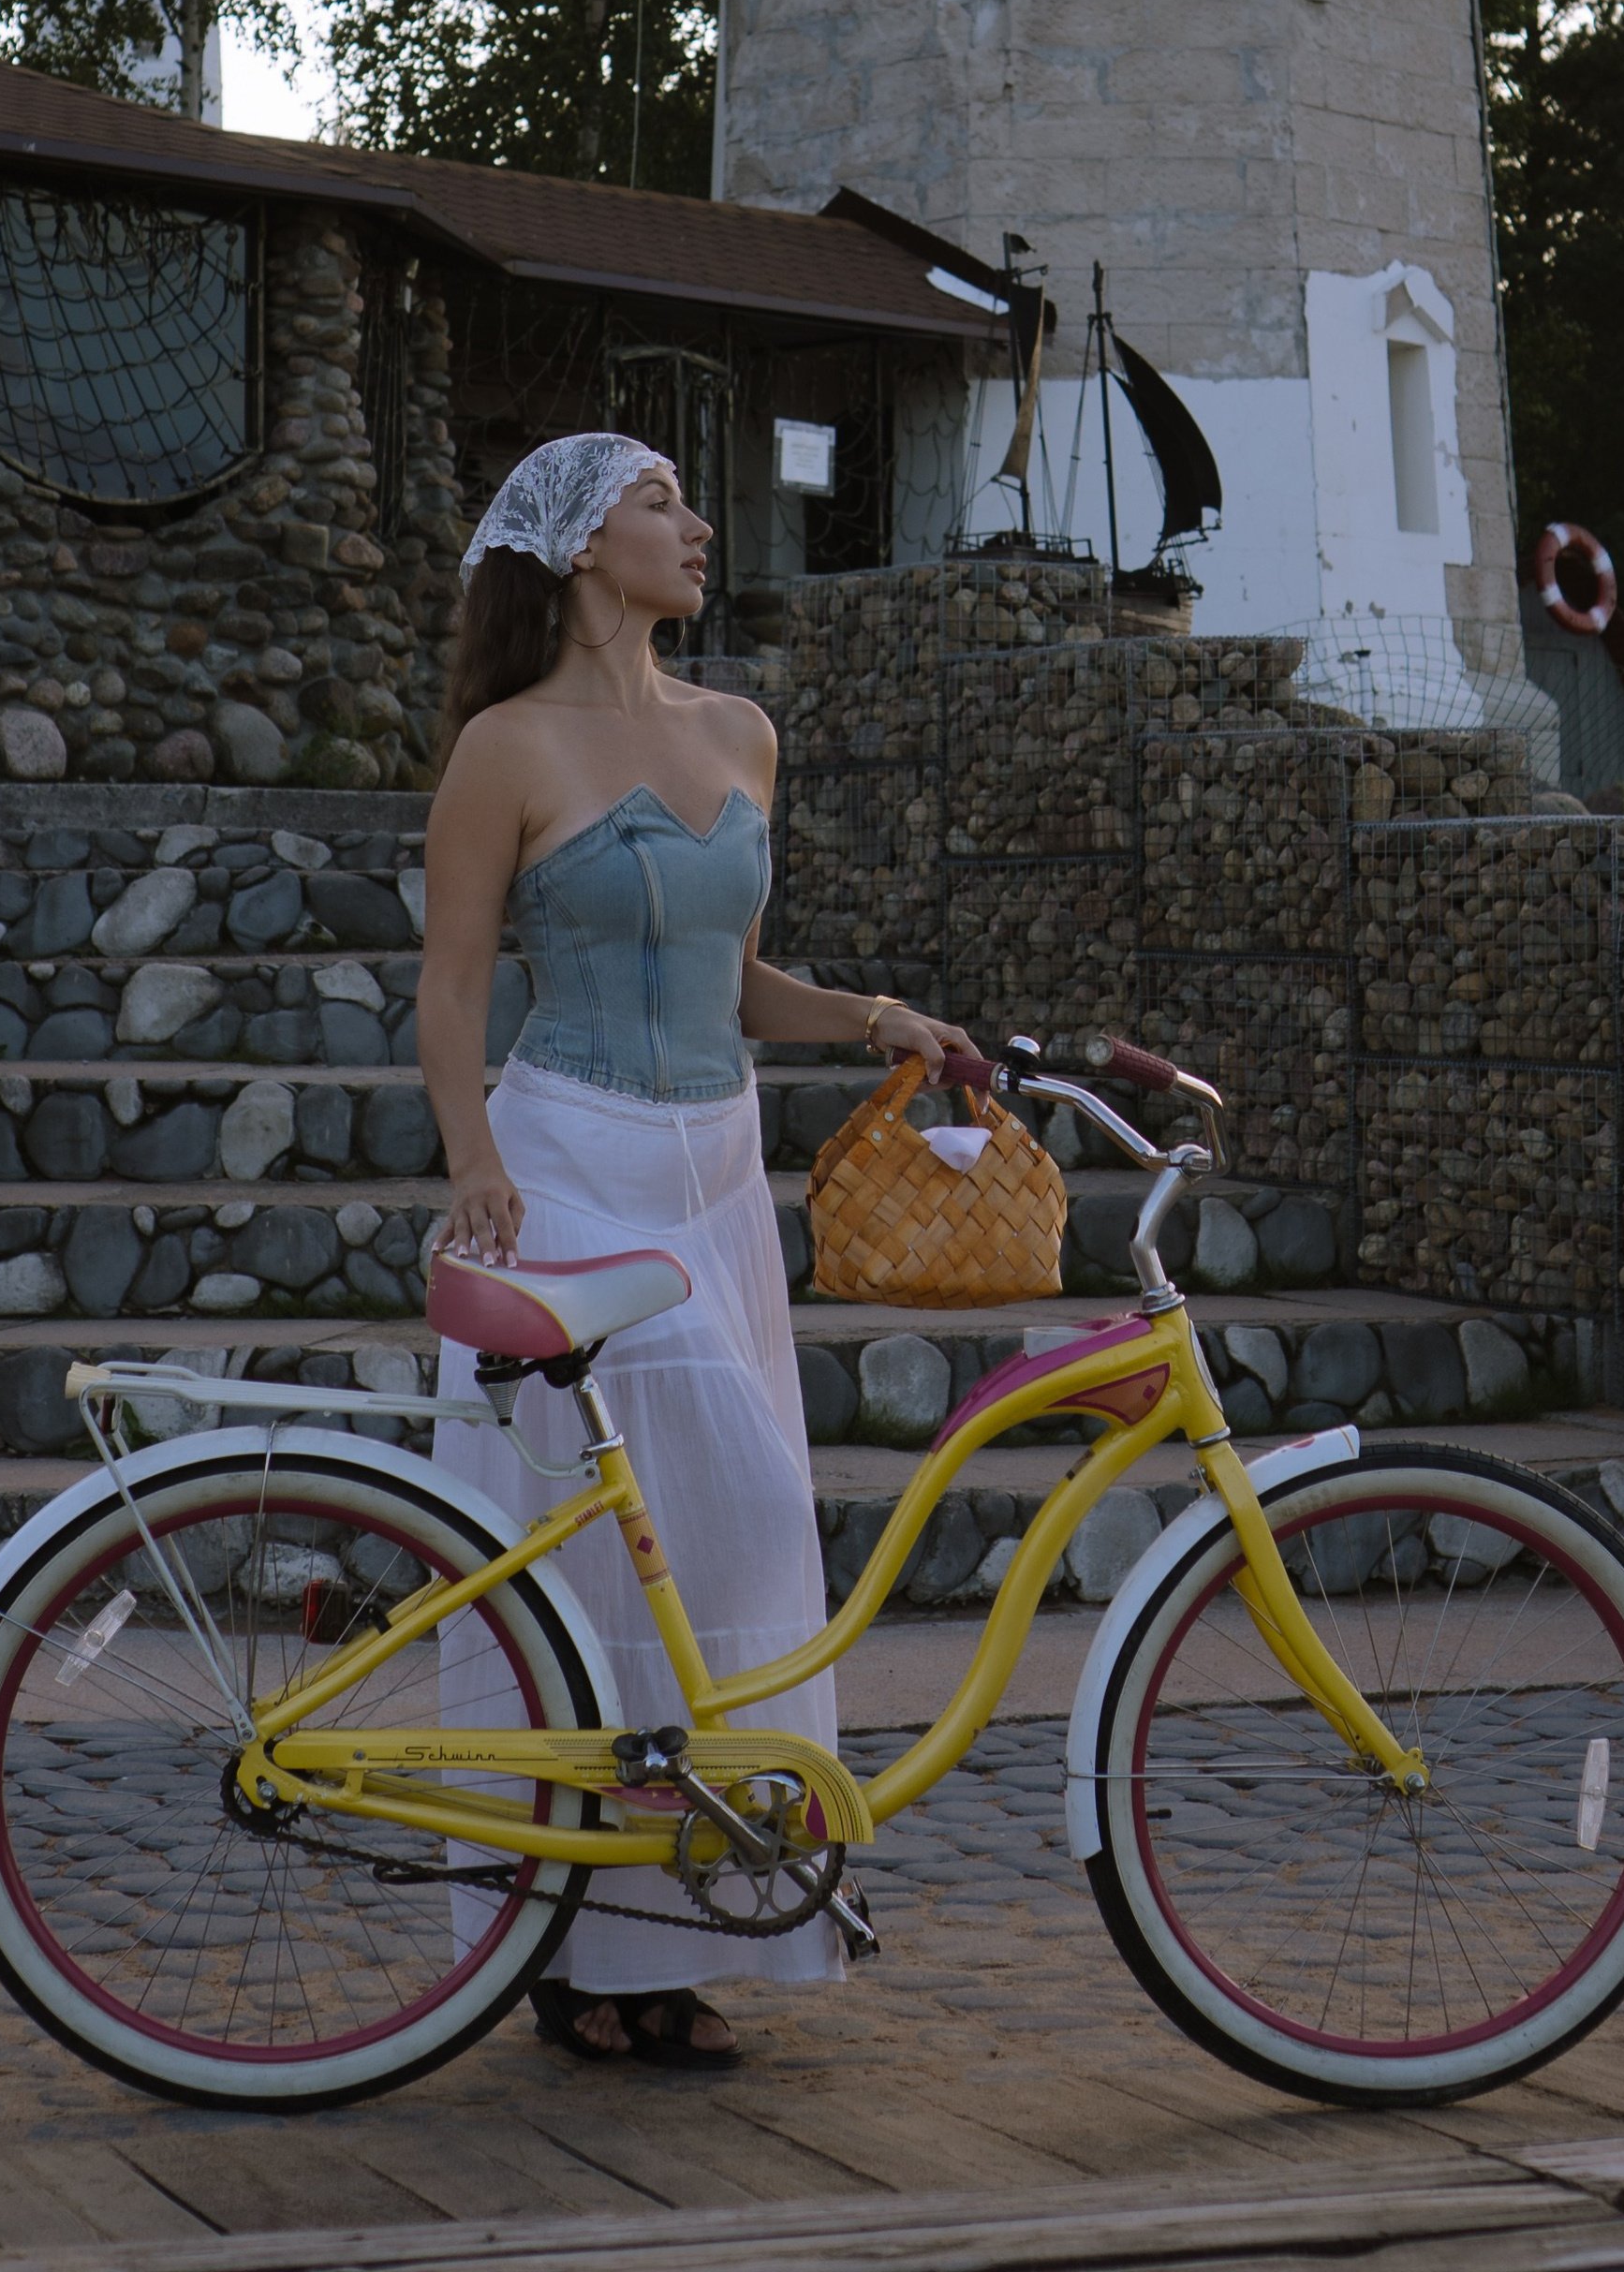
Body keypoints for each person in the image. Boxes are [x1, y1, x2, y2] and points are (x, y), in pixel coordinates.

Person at [418, 432, 969, 2073]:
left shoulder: (743, 733)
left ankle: (674, 1929)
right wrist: (475, 1162)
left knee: (726, 1557)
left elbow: (745, 986)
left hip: (718, 1174)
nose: (697, 524)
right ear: (583, 547)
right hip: (568, 1164)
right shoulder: (503, 749)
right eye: (660, 503)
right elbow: (451, 989)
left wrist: (878, 1020)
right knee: (598, 1550)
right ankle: (561, 1942)